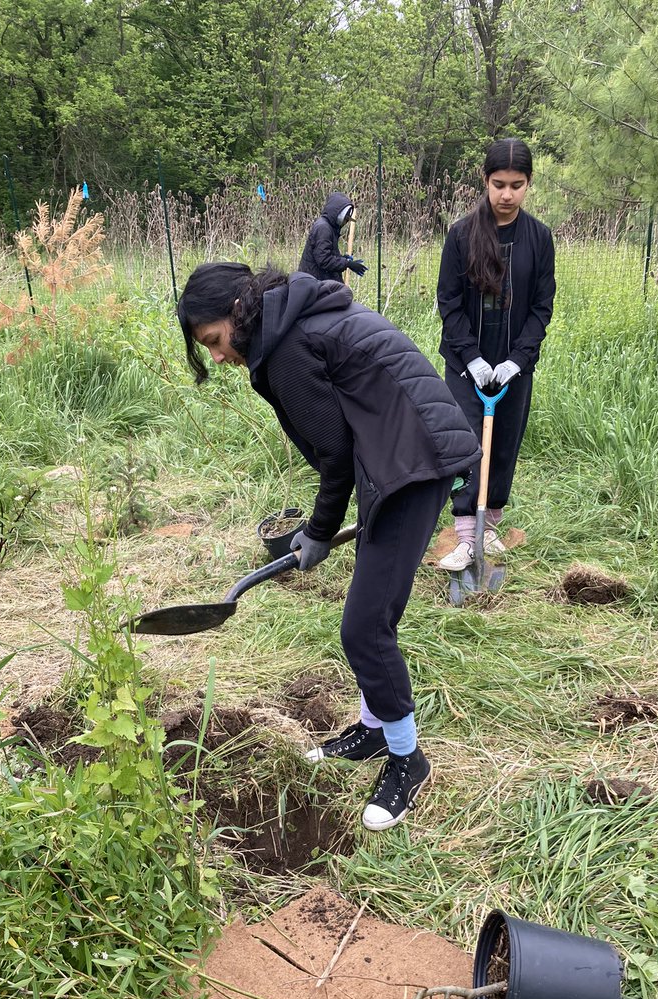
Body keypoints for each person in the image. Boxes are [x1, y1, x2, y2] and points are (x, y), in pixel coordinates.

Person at [177, 264, 480, 831]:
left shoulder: (288, 347)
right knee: (371, 610)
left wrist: (318, 531)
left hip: (414, 462)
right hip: (396, 454)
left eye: (215, 341)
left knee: (365, 628)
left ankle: (408, 760)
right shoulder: (291, 318)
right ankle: (373, 729)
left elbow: (334, 452)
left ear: (239, 311)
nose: (217, 357)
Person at [436, 138, 556, 571]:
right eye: (499, 184)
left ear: (528, 184)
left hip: (512, 367)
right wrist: (471, 357)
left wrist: (517, 361)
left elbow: (541, 307)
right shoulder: (461, 235)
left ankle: (490, 527)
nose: (507, 195)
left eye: (516, 185)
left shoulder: (539, 238)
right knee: (467, 445)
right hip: (465, 366)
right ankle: (466, 535)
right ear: (485, 181)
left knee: (504, 444)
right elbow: (449, 302)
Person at [298, 191, 368, 283]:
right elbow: (324, 260)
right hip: (314, 282)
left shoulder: (329, 227)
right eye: (345, 219)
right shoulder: (323, 228)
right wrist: (347, 263)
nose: (346, 222)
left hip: (318, 280)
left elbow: (325, 253)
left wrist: (343, 259)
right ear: (338, 214)